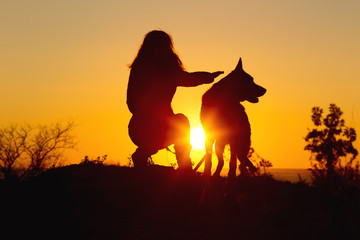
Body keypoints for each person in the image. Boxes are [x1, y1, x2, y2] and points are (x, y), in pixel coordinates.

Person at [127, 30, 223, 170]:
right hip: (141, 126)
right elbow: (132, 100)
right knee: (178, 125)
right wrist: (149, 116)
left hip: (165, 122)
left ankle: (184, 168)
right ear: (151, 48)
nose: (164, 49)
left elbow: (187, 78)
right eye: (159, 45)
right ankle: (142, 155)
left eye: (166, 45)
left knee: (181, 123)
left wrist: (208, 77)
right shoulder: (141, 69)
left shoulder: (170, 70)